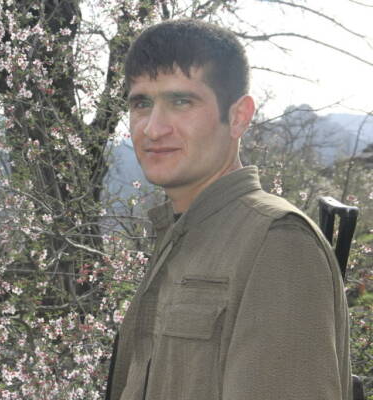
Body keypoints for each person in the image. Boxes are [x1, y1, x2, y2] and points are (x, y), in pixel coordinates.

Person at [106, 19, 351, 400]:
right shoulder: (182, 234)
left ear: (238, 117)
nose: (153, 129)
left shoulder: (277, 243)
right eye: (141, 103)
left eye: (181, 102)